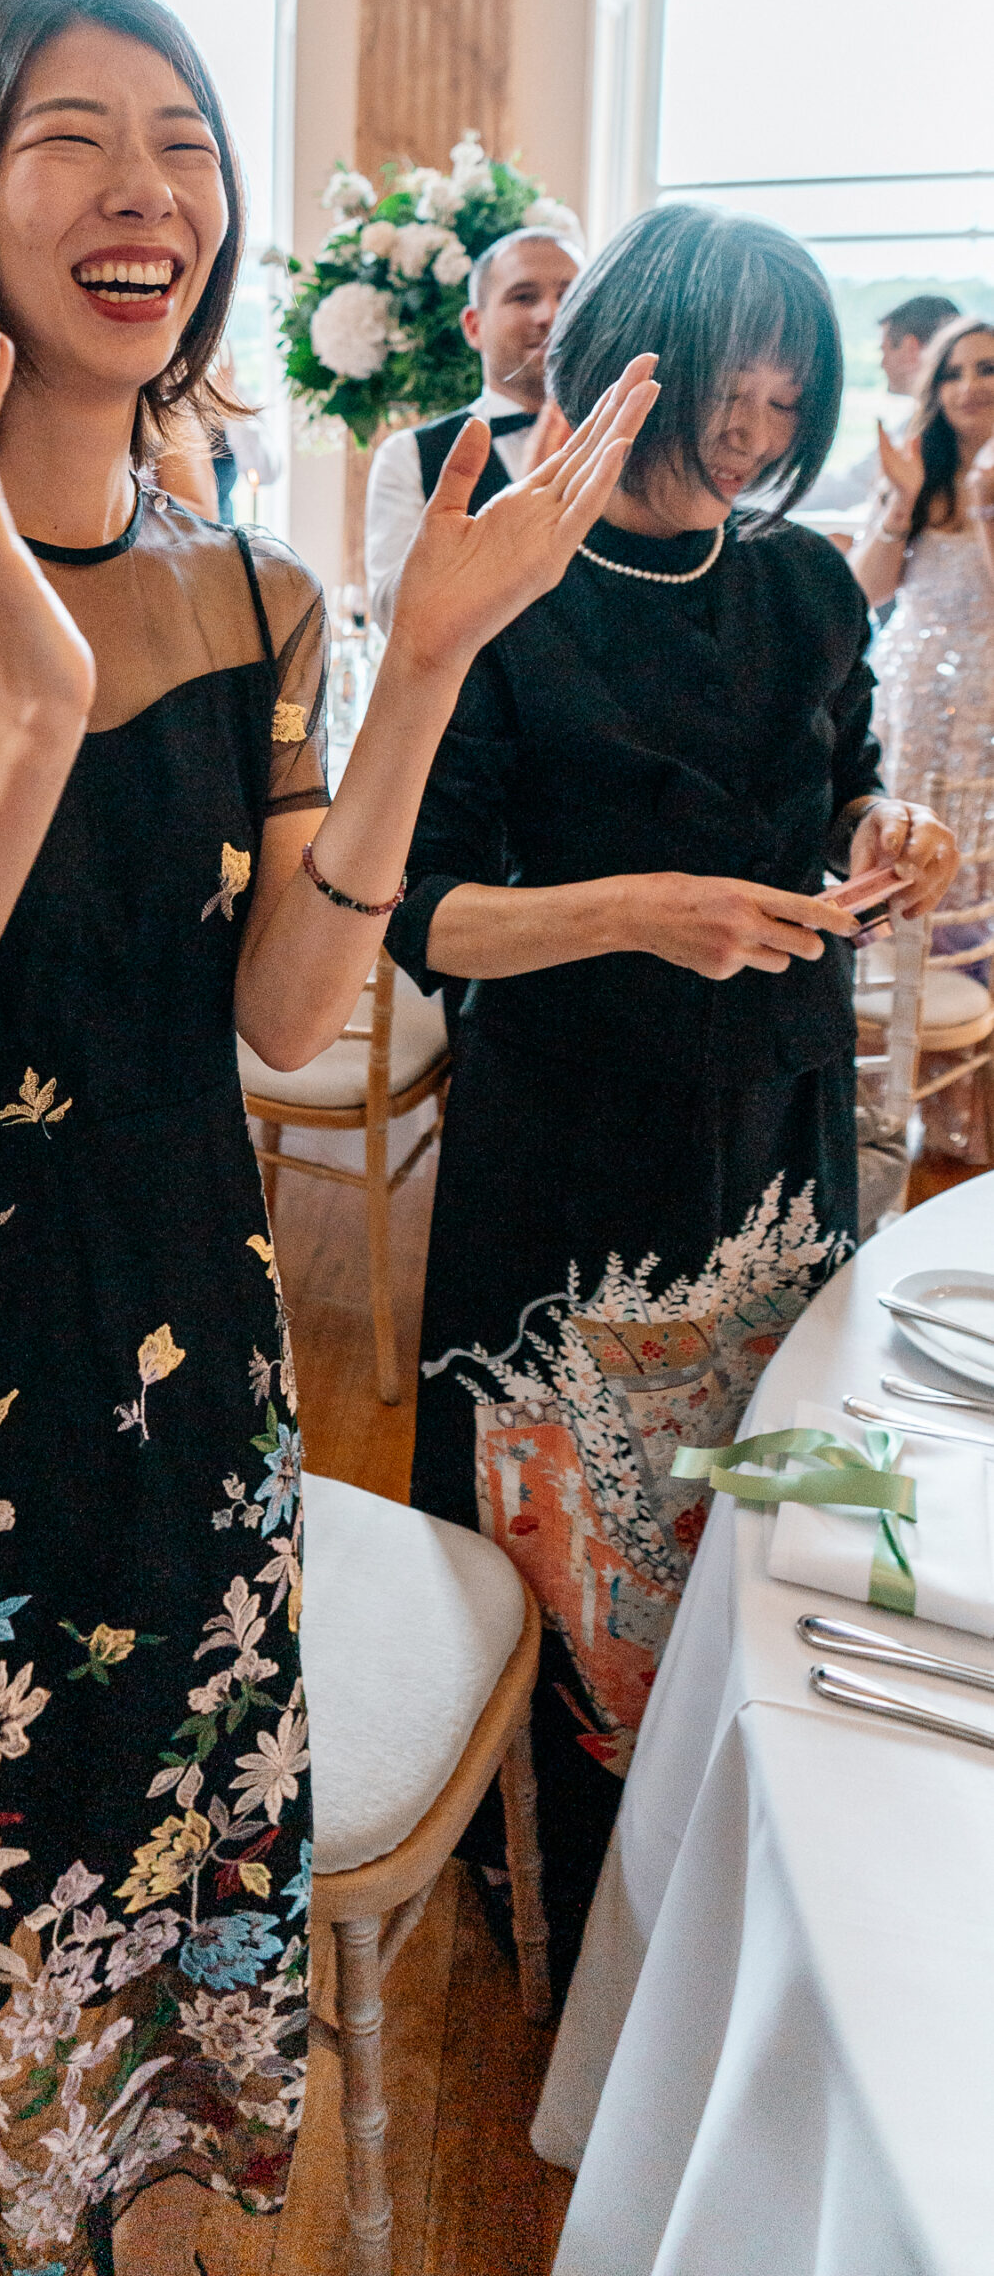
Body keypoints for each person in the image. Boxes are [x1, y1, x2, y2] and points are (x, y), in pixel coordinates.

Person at [0, 0, 652, 2276]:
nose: (140, 191)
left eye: (182, 143)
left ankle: (115, 2194)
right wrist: (33, 711)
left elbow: (287, 1011)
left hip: (183, 1320)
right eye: (68, 137)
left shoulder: (263, 595)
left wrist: (423, 675)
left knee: (141, 1810)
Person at [384, 203, 957, 1988]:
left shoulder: (796, 585)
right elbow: (413, 910)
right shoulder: (502, 587)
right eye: (734, 383)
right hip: (569, 1139)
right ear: (635, 360)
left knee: (745, 1509)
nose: (757, 428)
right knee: (569, 1540)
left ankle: (717, 1851)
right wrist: (639, 910)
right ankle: (543, 1887)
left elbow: (838, 788)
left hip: (774, 1130)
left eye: (790, 397)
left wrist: (885, 834)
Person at [853, 315, 994, 1159]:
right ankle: (884, 1059)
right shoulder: (918, 470)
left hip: (983, 699)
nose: (970, 385)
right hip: (909, 692)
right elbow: (865, 592)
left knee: (973, 860)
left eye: (986, 368)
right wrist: (903, 501)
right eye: (954, 372)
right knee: (903, 844)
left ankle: (962, 1084)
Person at [366, 225, 584, 633]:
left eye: (570, 295)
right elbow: (391, 617)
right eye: (523, 297)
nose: (550, 315)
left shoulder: (629, 444)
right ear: (473, 326)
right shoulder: (409, 456)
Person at [806, 291, 962, 511]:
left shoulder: (923, 431)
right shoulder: (917, 423)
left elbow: (847, 487)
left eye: (884, 349)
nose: (882, 364)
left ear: (910, 349)